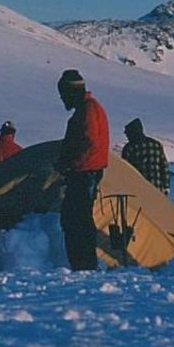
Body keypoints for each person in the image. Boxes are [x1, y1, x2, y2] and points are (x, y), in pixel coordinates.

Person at [54, 69, 110, 271]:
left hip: (84, 173)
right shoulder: (89, 109)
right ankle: (83, 264)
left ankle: (83, 264)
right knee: (78, 219)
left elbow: (90, 143)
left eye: (63, 94)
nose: (62, 99)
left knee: (76, 220)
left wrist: (71, 164)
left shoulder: (88, 111)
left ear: (71, 91)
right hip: (86, 172)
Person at [121, 118, 170, 195]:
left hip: (138, 190)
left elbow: (124, 171)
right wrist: (166, 186)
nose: (127, 136)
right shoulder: (156, 144)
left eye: (127, 133)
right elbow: (164, 166)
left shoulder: (129, 147)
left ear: (132, 132)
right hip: (157, 188)